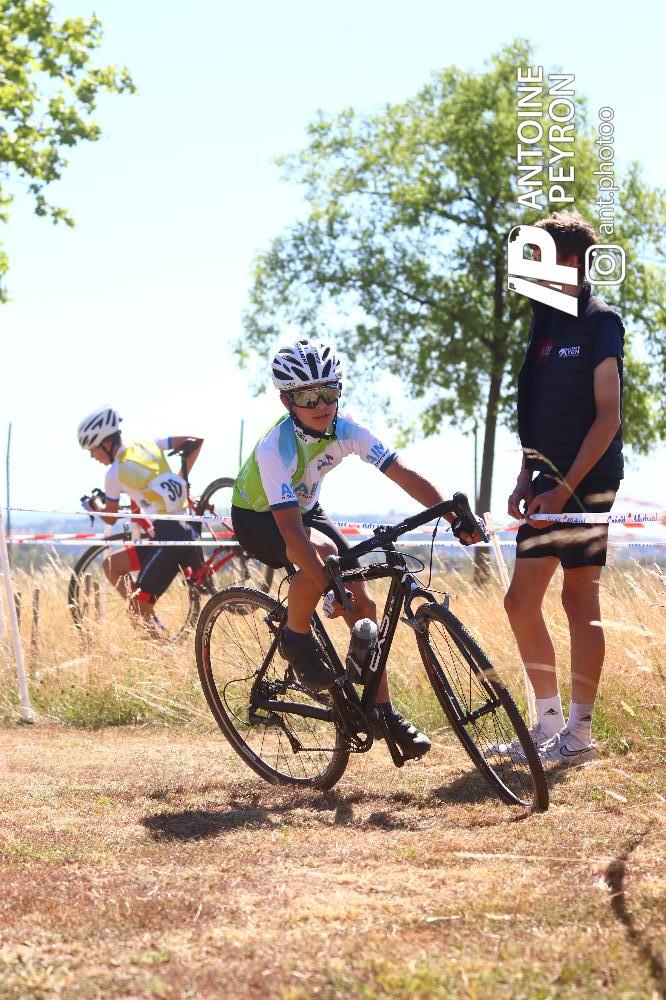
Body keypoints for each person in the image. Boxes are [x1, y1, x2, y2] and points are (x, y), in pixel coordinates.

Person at [231, 339, 481, 760]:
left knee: (363, 603)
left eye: (329, 391)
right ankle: (295, 639)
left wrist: (452, 514)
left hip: (306, 508)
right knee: (321, 557)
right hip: (260, 519)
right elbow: (293, 537)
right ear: (287, 401)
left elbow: (401, 472)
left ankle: (384, 712)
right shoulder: (275, 448)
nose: (321, 404)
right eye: (307, 396)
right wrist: (329, 585)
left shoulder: (347, 429)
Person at [502, 211, 624, 764]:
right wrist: (526, 476)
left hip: (589, 481)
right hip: (546, 480)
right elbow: (534, 410)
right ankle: (548, 725)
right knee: (520, 601)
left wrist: (564, 488)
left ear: (570, 262)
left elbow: (608, 417)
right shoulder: (543, 323)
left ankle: (579, 734)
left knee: (578, 600)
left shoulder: (602, 321)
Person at [77, 406, 204, 636]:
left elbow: (110, 517)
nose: (92, 456)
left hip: (170, 540)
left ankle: (156, 637)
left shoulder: (114, 474)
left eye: (92, 449)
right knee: (111, 566)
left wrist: (94, 506)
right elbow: (195, 441)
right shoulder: (148, 444)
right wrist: (179, 481)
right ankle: (143, 605)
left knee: (136, 613)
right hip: (181, 530)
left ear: (106, 444)